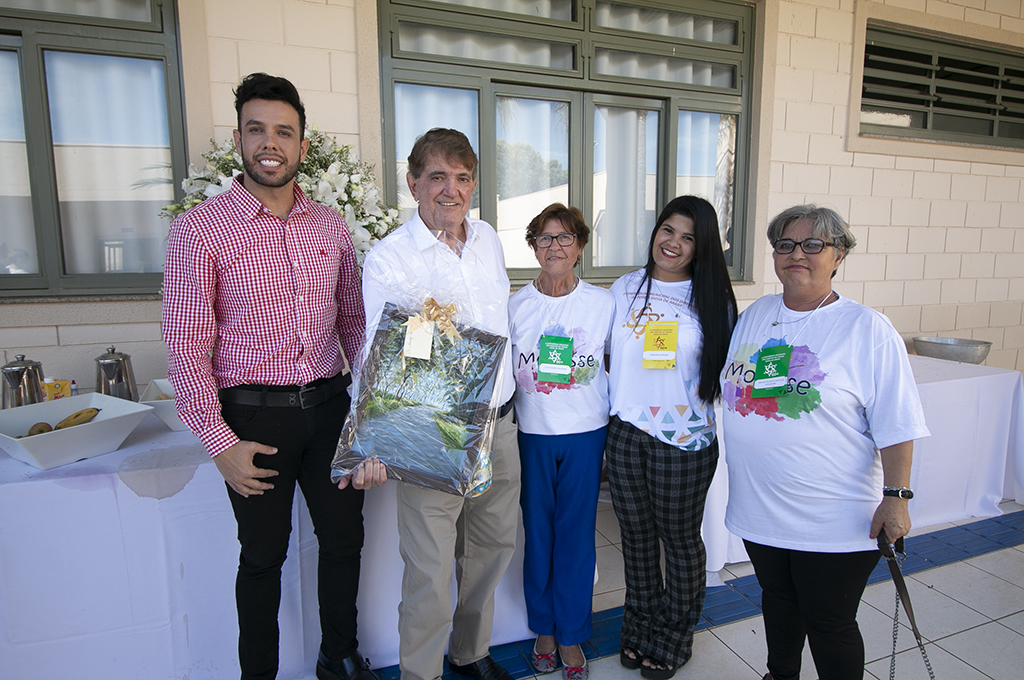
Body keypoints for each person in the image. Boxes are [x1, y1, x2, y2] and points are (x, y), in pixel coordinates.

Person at [162, 73, 385, 680]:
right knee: (263, 557)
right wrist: (220, 444)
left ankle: (338, 656)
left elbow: (354, 327)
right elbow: (186, 347)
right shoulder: (201, 228)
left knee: (344, 542)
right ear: (238, 139)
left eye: (284, 132)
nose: (270, 143)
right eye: (256, 129)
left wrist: (370, 417)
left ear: (302, 146)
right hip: (253, 420)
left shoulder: (330, 227)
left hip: (330, 409)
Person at [719, 205, 930, 680]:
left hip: (832, 516)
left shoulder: (866, 328)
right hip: (761, 508)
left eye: (813, 244)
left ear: (839, 256)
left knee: (829, 622)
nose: (797, 254)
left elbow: (897, 423)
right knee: (778, 602)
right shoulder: (756, 315)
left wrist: (896, 498)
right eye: (786, 245)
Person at [360, 128, 520, 680]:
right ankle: (421, 674)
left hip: (500, 424)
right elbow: (381, 358)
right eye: (437, 177)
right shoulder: (390, 259)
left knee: (490, 548)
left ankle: (470, 653)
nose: (451, 190)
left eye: (462, 178)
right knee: (429, 570)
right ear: (413, 183)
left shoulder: (488, 240)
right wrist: (373, 441)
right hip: (434, 432)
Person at [606, 195, 736, 679]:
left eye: (688, 237)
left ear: (702, 247)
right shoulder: (624, 287)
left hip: (683, 440)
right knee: (636, 539)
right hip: (625, 434)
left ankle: (675, 633)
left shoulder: (714, 300)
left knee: (679, 542)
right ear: (656, 230)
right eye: (668, 230)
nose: (673, 244)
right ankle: (640, 625)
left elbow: (725, 374)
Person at [508, 203, 614, 680]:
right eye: (545, 238)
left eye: (565, 238)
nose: (555, 247)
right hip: (532, 433)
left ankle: (571, 632)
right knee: (538, 534)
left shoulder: (602, 304)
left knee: (575, 536)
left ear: (580, 247)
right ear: (533, 246)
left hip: (586, 433)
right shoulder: (515, 306)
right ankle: (543, 629)